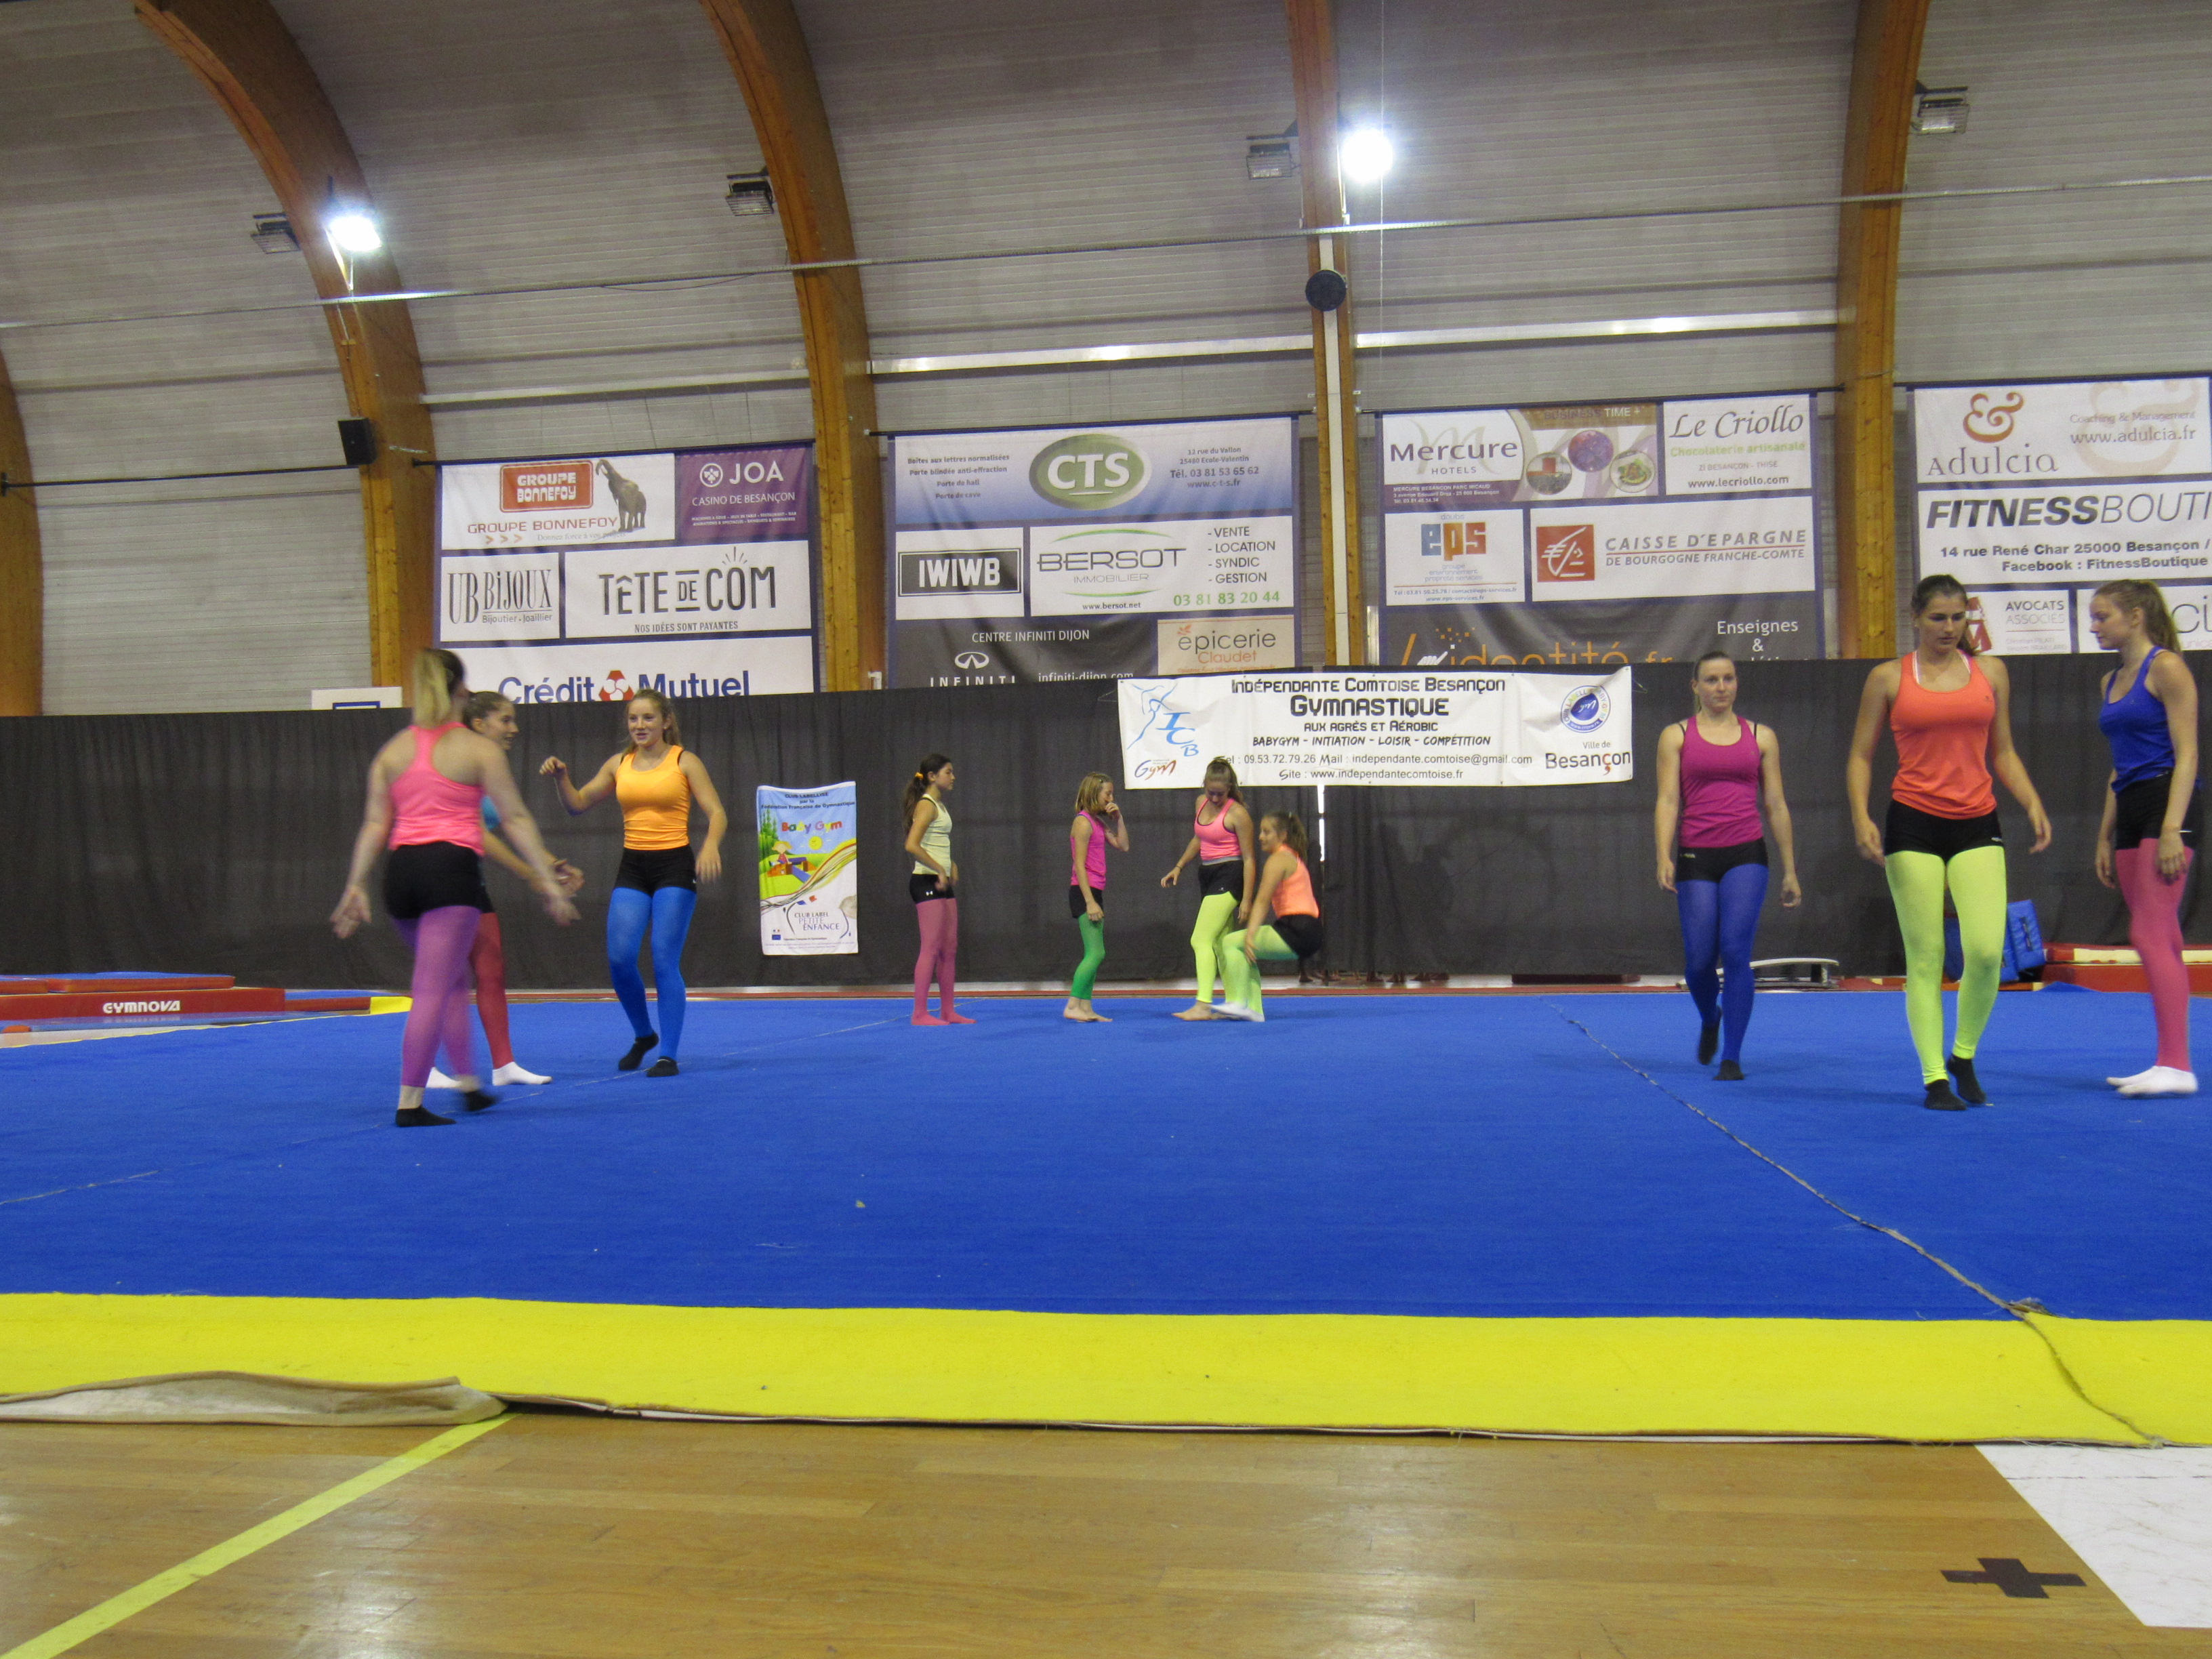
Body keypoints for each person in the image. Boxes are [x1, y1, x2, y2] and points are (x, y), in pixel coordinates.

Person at [331, 649, 576, 1126]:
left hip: (401, 876)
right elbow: (515, 818)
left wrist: (356, 884)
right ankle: (410, 1103)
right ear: (461, 691)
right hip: (449, 872)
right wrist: (547, 880)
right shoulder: (477, 750)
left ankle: (468, 1085)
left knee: (450, 982)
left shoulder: (393, 751)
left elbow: (375, 823)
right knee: (431, 988)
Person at [1848, 575, 2051, 1111]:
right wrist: (1861, 817)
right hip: (1912, 824)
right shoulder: (1888, 678)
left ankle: (1963, 1055)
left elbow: (2003, 750)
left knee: (1984, 952)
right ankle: (1935, 1077)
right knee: (1926, 956)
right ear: (1916, 617)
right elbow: (1861, 756)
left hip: (1976, 822)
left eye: (1958, 617)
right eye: (1938, 618)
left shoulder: (1991, 674)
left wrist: (2031, 801)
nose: (1949, 627)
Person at [541, 691, 727, 1077]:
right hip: (634, 866)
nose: (639, 726)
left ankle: (668, 1055)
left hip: (674, 865)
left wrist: (710, 844)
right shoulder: (619, 764)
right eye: (633, 719)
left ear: (666, 722)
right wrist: (562, 778)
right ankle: (644, 1034)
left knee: (663, 958)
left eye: (648, 718)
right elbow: (577, 804)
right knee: (620, 958)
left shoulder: (684, 761)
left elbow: (717, 812)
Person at [1652, 650, 1803, 1080]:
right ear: (1696, 686)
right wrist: (1663, 854)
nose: (1721, 687)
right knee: (1699, 959)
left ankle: (1732, 1057)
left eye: (1728, 678)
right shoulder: (1676, 736)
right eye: (1712, 680)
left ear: (1737, 683)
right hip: (1697, 855)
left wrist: (1790, 869)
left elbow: (1776, 803)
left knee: (1736, 951)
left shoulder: (1761, 736)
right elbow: (1668, 800)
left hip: (1746, 855)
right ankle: (1710, 1017)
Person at [424, 691, 584, 1090]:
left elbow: (513, 824)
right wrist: (531, 875)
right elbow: (476, 833)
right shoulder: (460, 766)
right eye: (506, 720)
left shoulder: (491, 769)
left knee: (491, 971)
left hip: (471, 883)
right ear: (479, 725)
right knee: (443, 976)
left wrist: (550, 865)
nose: (514, 728)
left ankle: (504, 1065)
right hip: (439, 881)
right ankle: (423, 1065)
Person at [2088, 579, 2201, 1097]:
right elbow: (2119, 765)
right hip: (2131, 806)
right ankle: (2168, 1060)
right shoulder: (2110, 680)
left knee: (2149, 934)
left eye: (2102, 616)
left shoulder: (2167, 668)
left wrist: (2172, 827)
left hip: (2166, 802)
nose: (2095, 626)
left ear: (2135, 617)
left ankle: (2177, 1066)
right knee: (2163, 938)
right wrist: (2104, 835)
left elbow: (2188, 753)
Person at [1160, 758, 1256, 1020]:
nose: (1214, 798)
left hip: (1230, 874)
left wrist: (1247, 899)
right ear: (1204, 786)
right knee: (1220, 943)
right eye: (1210, 792)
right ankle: (1236, 1004)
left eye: (1220, 794)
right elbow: (1199, 838)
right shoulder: (1200, 802)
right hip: (1208, 874)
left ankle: (1203, 1005)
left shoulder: (1238, 814)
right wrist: (1179, 866)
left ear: (1230, 788)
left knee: (1200, 939)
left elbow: (1249, 859)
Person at [1216, 810, 1325, 1023]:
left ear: (1283, 835)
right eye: (1261, 831)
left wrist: (1251, 934)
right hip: (1306, 930)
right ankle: (1255, 1010)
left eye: (1266, 832)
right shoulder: (1290, 856)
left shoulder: (1279, 859)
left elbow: (1262, 901)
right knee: (1245, 951)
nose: (1260, 837)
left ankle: (1237, 1001)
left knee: (1230, 943)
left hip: (1298, 929)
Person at [903, 754, 972, 1025]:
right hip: (925, 881)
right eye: (948, 772)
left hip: (940, 881)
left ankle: (948, 1010)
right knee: (930, 948)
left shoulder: (940, 806)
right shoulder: (927, 805)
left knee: (949, 948)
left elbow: (936, 843)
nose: (953, 777)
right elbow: (912, 844)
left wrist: (950, 864)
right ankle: (920, 1013)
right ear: (932, 776)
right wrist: (939, 869)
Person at [1064, 772, 1130, 1023]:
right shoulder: (1083, 822)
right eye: (1107, 794)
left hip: (1094, 890)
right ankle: (1073, 1004)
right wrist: (1090, 901)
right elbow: (1079, 865)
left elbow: (1123, 845)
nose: (1111, 798)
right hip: (1084, 892)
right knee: (1096, 953)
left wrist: (1119, 818)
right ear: (1094, 794)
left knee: (1096, 952)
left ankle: (1086, 1007)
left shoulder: (1098, 823)